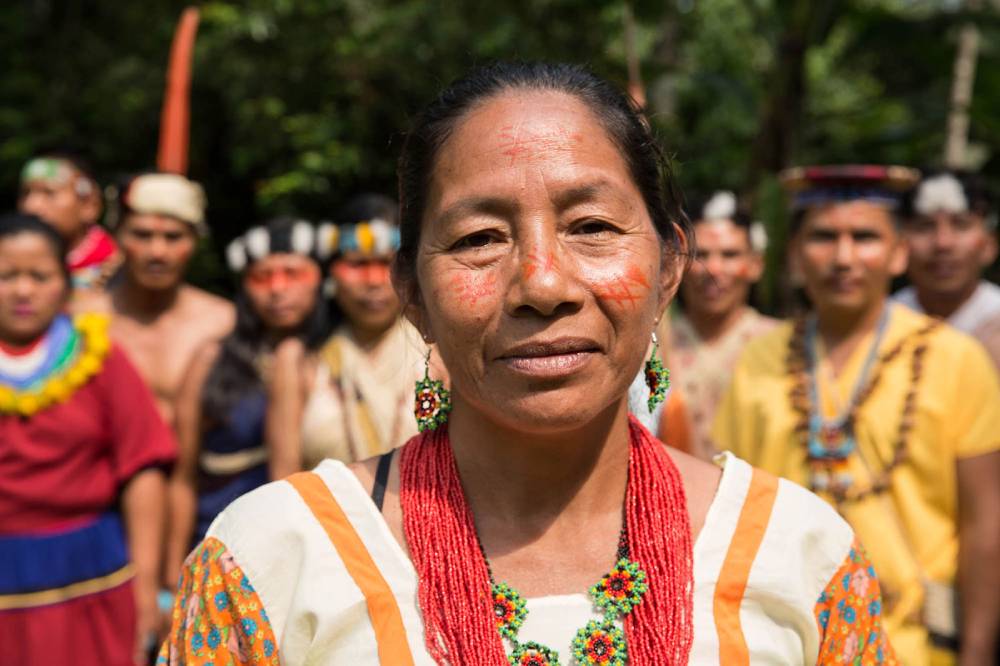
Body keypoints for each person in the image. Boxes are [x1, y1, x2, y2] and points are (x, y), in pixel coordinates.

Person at [160, 62, 895, 665]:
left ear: (671, 264)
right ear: (411, 291)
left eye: (593, 226)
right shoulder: (269, 564)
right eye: (480, 238)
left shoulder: (799, 556)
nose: (543, 283)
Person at [713, 165, 1000, 665]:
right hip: (784, 641)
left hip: (919, 646)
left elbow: (985, 527)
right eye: (824, 237)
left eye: (864, 237)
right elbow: (731, 509)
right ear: (797, 256)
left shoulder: (954, 359)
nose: (844, 257)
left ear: (898, 253)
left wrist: (976, 655)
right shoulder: (760, 359)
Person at [0, 213, 176, 664]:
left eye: (39, 276)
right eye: (7, 275)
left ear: (64, 283)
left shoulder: (99, 359)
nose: (23, 290)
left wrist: (146, 588)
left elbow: (145, 470)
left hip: (93, 580)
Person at [163, 217, 329, 589]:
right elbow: (183, 477)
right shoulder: (210, 360)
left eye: (292, 274)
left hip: (308, 549)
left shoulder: (336, 359)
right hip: (216, 543)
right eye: (262, 277)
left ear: (319, 278)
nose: (277, 289)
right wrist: (172, 575)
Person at [269, 194, 429, 470]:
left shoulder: (438, 353)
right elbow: (284, 479)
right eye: (357, 264)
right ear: (330, 273)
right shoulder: (298, 360)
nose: (374, 281)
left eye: (386, 263)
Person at [77, 172, 235, 425]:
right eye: (142, 235)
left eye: (173, 237)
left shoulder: (222, 323)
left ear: (195, 242)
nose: (157, 252)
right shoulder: (79, 319)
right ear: (118, 238)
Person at [663, 190, 776, 460]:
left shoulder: (781, 345)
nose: (713, 269)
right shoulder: (651, 345)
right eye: (701, 254)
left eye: (729, 255)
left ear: (755, 264)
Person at [894, 171, 999, 337]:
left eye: (961, 225)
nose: (943, 243)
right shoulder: (877, 323)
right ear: (898, 246)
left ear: (989, 245)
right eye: (924, 226)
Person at [17, 150, 121, 292]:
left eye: (49, 193)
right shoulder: (8, 259)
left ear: (89, 205)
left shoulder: (116, 270)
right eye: (26, 193)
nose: (31, 205)